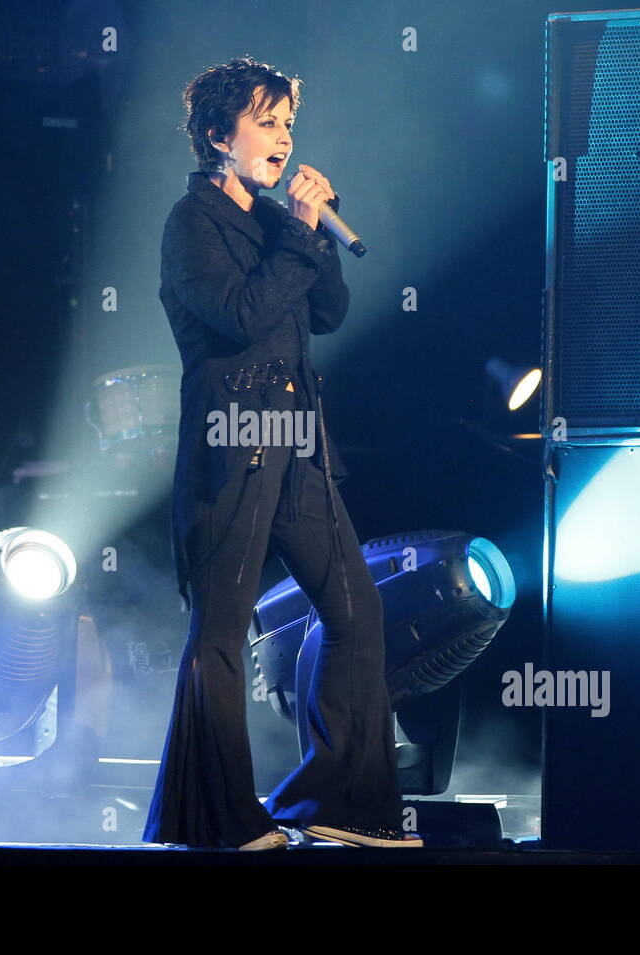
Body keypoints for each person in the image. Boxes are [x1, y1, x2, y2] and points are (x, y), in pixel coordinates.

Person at [143, 56, 422, 850]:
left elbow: (326, 311)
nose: (282, 137)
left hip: (297, 443)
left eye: (287, 123)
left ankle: (333, 801)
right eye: (265, 121)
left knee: (356, 613)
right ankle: (216, 817)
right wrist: (298, 234)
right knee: (222, 629)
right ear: (215, 135)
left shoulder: (275, 224)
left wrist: (310, 228)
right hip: (233, 442)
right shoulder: (189, 224)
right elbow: (238, 315)